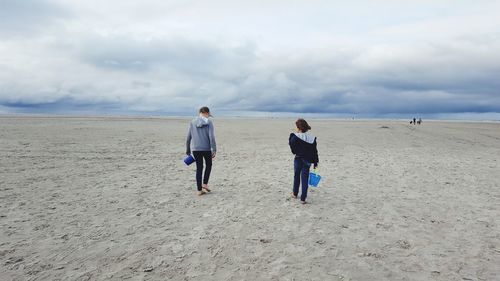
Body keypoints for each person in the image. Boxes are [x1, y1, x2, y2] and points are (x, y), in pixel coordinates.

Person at [186, 106, 217, 196]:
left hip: (195, 149)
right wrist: (214, 148)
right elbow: (211, 136)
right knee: (209, 165)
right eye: (208, 114)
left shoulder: (192, 122)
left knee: (199, 168)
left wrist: (188, 148)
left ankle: (199, 190)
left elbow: (188, 137)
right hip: (206, 149)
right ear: (206, 113)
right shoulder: (209, 122)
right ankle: (205, 184)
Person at [289, 119, 319, 204]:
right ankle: (303, 199)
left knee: (296, 176)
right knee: (304, 179)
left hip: (298, 159)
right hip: (308, 160)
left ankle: (295, 194)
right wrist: (316, 162)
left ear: (299, 127)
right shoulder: (312, 138)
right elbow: (315, 151)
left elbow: (293, 150)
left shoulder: (295, 137)